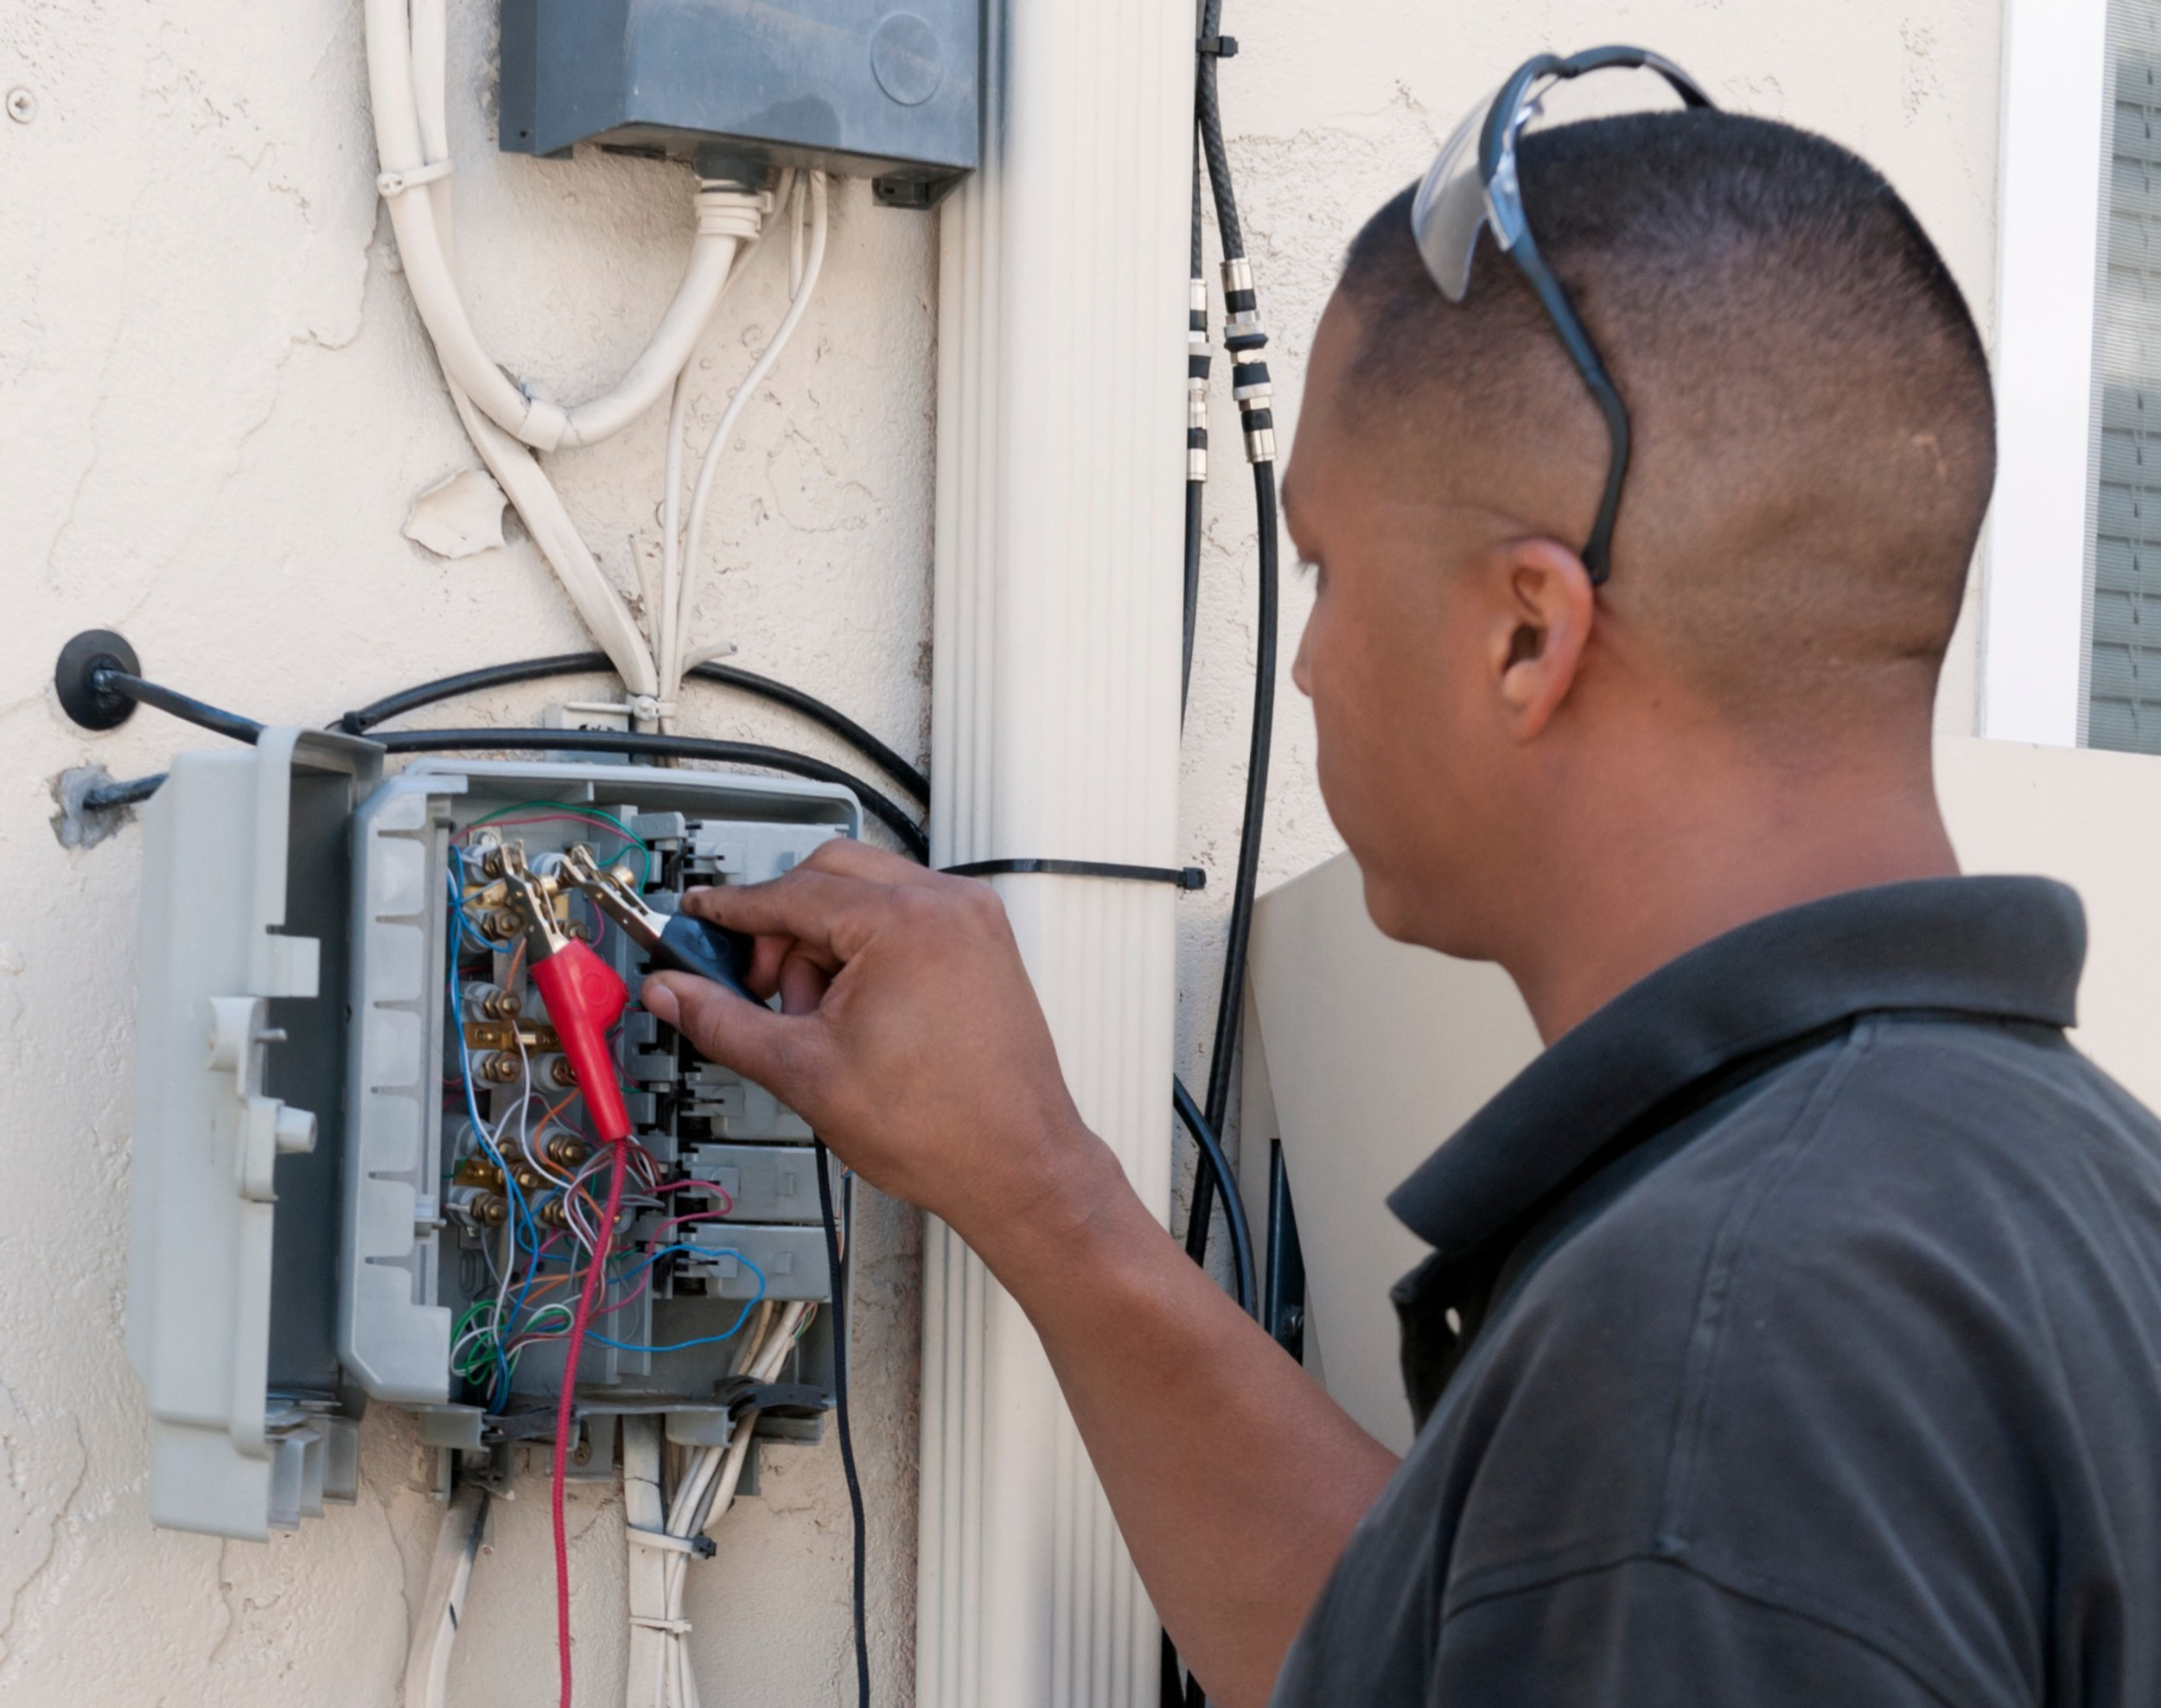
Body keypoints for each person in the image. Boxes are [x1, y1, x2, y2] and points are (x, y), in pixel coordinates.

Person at [635, 69, 2161, 1708]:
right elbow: (1437, 1654)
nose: (1305, 665)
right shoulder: (2057, 1191)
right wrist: (1047, 1195)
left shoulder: (1727, 1339)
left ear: (1528, 635)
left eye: (1327, 570)